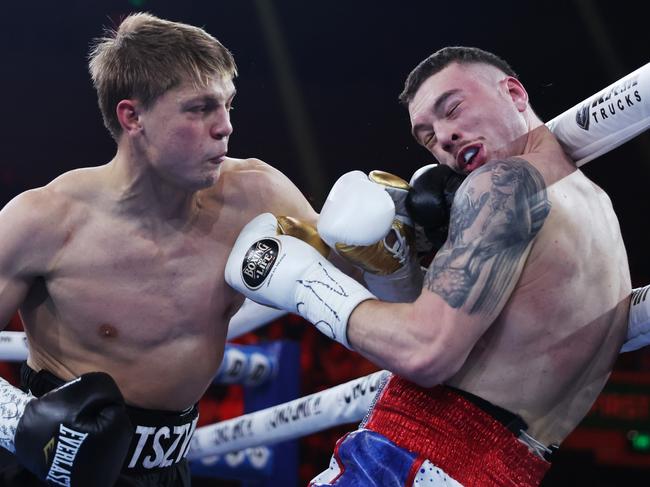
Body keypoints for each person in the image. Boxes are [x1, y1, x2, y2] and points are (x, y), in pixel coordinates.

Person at [226, 46, 631, 486]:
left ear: (514, 93)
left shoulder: (503, 184)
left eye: (453, 108)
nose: (445, 137)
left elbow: (426, 351)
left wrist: (303, 281)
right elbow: (472, 338)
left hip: (416, 456)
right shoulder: (595, 207)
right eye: (427, 136)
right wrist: (394, 269)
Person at [0, 12, 319, 487]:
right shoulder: (44, 221)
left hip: (169, 470)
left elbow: (358, 282)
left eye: (228, 105)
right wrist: (20, 422)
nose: (225, 127)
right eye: (199, 109)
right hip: (51, 467)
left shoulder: (257, 195)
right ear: (133, 117)